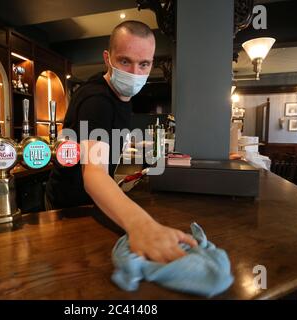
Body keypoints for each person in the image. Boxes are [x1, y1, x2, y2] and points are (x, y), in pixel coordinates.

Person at [45, 21, 197, 263]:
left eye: (143, 64)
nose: (135, 73)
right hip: (70, 207)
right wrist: (143, 225)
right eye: (125, 61)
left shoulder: (121, 95)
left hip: (92, 201)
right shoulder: (97, 100)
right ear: (108, 58)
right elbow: (94, 172)